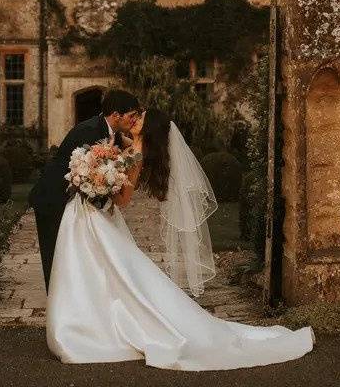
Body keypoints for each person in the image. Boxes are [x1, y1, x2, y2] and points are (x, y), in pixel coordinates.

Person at [45, 108, 315, 371]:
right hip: (94, 214)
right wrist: (93, 167)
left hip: (101, 212)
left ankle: (89, 327)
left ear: (149, 129)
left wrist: (99, 182)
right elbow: (111, 156)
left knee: (112, 272)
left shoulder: (137, 156)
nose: (135, 119)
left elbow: (123, 200)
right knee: (101, 271)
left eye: (142, 119)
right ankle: (90, 320)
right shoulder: (129, 144)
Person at [28, 89, 141, 291]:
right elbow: (86, 172)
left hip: (72, 197)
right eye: (132, 116)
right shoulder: (89, 130)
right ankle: (58, 298)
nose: (133, 121)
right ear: (116, 115)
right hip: (52, 197)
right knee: (54, 254)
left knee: (72, 252)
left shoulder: (111, 133)